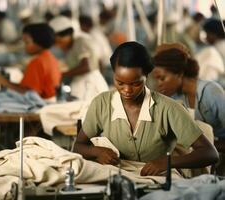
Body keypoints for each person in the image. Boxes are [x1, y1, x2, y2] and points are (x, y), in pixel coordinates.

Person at [73, 41, 219, 176]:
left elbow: (210, 153)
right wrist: (96, 151)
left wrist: (168, 162)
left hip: (158, 178)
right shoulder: (101, 103)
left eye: (136, 83)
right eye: (120, 82)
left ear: (147, 76)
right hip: (117, 175)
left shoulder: (168, 108)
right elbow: (77, 146)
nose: (127, 90)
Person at [152, 43, 225, 139]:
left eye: (162, 78)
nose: (159, 84)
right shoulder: (177, 98)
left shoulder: (210, 92)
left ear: (179, 74)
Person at [0, 23, 61, 99]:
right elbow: (27, 88)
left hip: (42, 103)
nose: (25, 46)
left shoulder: (38, 62)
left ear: (38, 43)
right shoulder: (50, 58)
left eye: (27, 42)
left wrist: (3, 81)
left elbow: (31, 95)